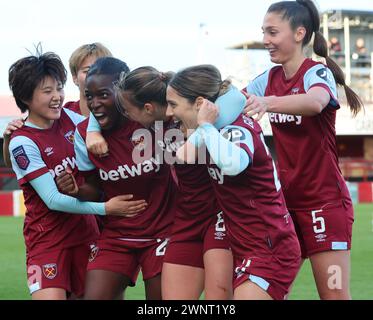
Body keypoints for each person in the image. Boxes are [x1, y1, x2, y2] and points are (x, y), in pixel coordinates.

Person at [243, 0, 363, 299]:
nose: (265, 40)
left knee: (334, 295)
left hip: (325, 204)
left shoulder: (316, 73)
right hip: (284, 207)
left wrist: (267, 102)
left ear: (299, 34)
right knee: (265, 293)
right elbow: (231, 104)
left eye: (273, 32)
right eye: (264, 32)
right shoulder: (266, 79)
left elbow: (315, 102)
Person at [85, 66, 236, 300]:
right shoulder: (152, 124)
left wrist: (199, 131)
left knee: (218, 297)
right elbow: (114, 101)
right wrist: (92, 130)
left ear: (147, 109)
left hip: (217, 216)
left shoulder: (186, 117)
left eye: (127, 111)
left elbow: (235, 97)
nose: (124, 115)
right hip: (187, 219)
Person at [7, 51, 145, 300]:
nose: (57, 97)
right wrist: (106, 208)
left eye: (59, 89)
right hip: (47, 241)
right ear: (26, 97)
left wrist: (93, 131)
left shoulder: (72, 120)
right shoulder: (22, 142)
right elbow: (52, 199)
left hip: (87, 236)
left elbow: (103, 119)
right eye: (47, 91)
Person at [166, 64, 301, 300]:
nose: (169, 113)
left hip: (269, 248)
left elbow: (234, 164)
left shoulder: (237, 129)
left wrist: (206, 126)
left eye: (174, 105)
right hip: (246, 247)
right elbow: (184, 154)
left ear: (199, 104)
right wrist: (204, 127)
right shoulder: (215, 130)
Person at [64, 58, 177, 300]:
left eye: (103, 95)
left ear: (122, 92)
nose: (94, 104)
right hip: (117, 236)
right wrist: (75, 190)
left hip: (163, 233)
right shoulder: (84, 134)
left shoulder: (149, 119)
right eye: (89, 96)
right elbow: (93, 188)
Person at [2, 42, 112, 167]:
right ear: (74, 77)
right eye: (87, 71)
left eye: (101, 71)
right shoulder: (61, 116)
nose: (94, 76)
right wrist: (9, 140)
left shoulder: (121, 113)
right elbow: (20, 164)